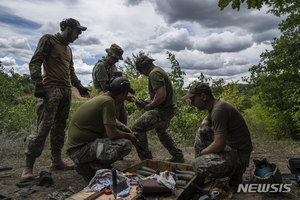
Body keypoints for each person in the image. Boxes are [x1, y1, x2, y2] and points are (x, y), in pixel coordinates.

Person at [21, 18, 90, 180]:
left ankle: (56, 161)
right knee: (43, 128)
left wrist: (79, 86)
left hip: (66, 91)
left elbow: (70, 71)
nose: (78, 35)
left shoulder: (68, 50)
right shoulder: (49, 40)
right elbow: (35, 61)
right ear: (67, 28)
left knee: (59, 129)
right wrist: (38, 84)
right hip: (50, 89)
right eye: (77, 31)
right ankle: (27, 168)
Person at [182, 82, 253, 187]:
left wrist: (202, 153)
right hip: (233, 148)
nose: (192, 103)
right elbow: (207, 120)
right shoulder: (215, 106)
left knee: (197, 164)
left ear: (203, 96)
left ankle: (234, 173)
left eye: (193, 99)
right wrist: (204, 126)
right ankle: (204, 175)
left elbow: (219, 145)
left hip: (238, 155)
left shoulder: (218, 110)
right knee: (202, 131)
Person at [66, 77, 137, 182]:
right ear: (122, 94)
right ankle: (93, 167)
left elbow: (111, 120)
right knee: (125, 144)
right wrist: (129, 136)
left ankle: (89, 164)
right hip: (79, 151)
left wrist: (123, 126)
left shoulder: (104, 97)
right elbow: (112, 134)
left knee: (107, 136)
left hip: (77, 147)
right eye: (126, 94)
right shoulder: (109, 102)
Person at [132, 55, 184, 163]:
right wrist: (146, 101)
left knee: (137, 128)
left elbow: (161, 95)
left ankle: (146, 160)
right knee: (161, 131)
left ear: (145, 66)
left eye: (140, 70)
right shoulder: (158, 71)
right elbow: (155, 95)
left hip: (163, 111)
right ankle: (177, 155)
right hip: (168, 109)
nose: (141, 73)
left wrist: (150, 106)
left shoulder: (154, 74)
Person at [92, 44, 132, 125]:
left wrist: (126, 95)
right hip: (106, 96)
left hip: (116, 96)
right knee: (113, 122)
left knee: (123, 118)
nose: (117, 61)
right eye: (115, 58)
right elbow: (105, 89)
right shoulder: (101, 66)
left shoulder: (112, 66)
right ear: (109, 55)